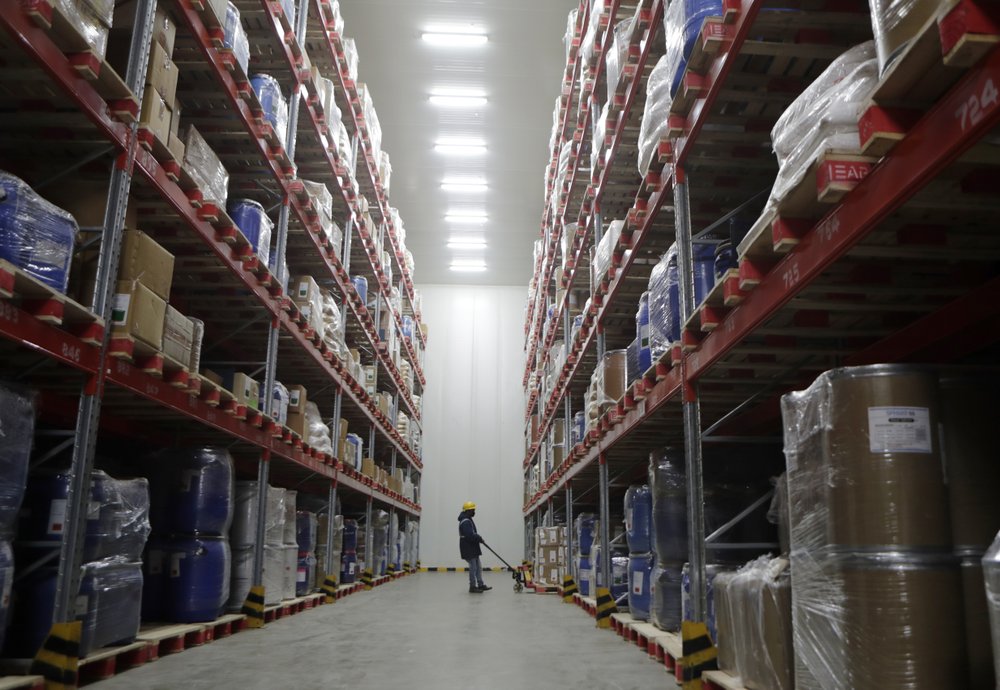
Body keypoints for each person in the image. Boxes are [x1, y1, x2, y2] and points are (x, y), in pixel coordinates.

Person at [458, 501, 492, 593]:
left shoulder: (468, 519)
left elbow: (472, 534)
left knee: (478, 567)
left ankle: (480, 584)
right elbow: (470, 535)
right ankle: (472, 587)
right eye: (472, 510)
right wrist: (479, 538)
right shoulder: (465, 521)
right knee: (473, 567)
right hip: (468, 547)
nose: (474, 512)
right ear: (467, 511)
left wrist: (478, 539)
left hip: (472, 546)